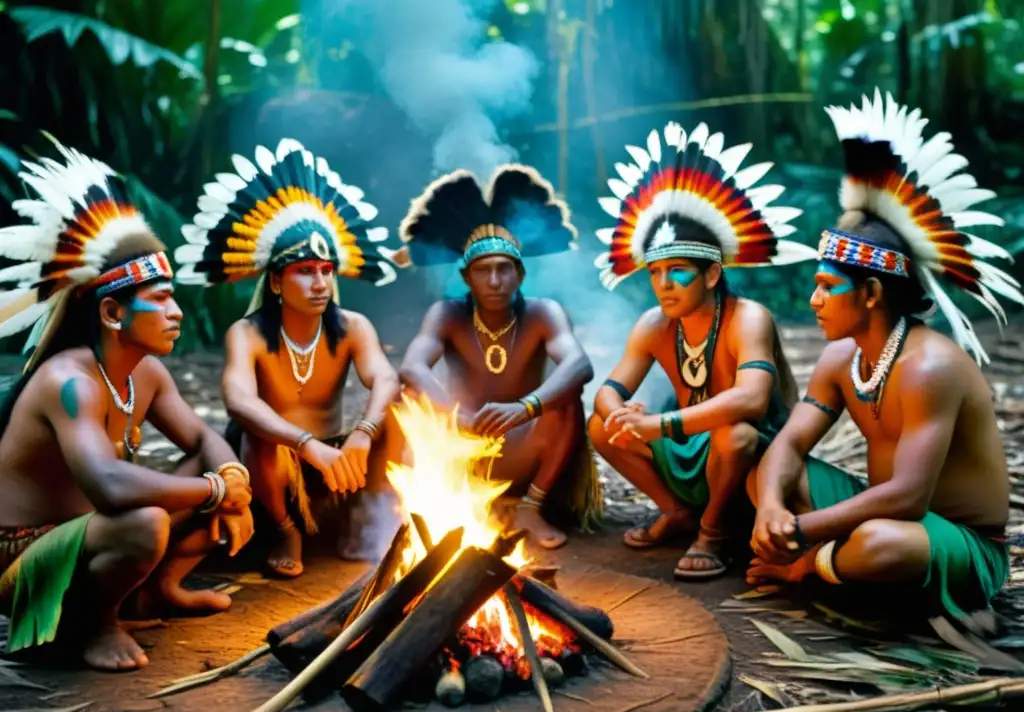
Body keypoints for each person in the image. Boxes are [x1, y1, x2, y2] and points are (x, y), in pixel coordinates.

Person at [747, 90, 1024, 628]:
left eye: (827, 287)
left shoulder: (930, 367)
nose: (814, 300)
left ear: (871, 294)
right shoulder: (840, 358)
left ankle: (809, 570)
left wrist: (800, 537)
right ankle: (835, 566)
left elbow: (908, 496)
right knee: (766, 468)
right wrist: (771, 510)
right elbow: (790, 443)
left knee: (879, 542)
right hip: (886, 511)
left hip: (954, 538)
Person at [0, 140, 254, 671]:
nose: (176, 312)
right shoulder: (68, 382)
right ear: (112, 312)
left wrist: (228, 474)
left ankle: (157, 590)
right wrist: (215, 492)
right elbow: (109, 487)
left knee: (221, 451)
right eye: (160, 299)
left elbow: (204, 440)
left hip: (86, 530)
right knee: (145, 524)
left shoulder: (148, 374)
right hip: (21, 556)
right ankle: (93, 626)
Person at [588, 120, 817, 579]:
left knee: (734, 434)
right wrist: (620, 414)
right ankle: (677, 513)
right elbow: (607, 390)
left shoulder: (747, 317)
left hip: (756, 459)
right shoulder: (653, 325)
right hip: (687, 444)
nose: (663, 284)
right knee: (598, 427)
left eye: (677, 271)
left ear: (712, 275)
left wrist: (656, 424)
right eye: (655, 272)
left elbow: (751, 401)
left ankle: (713, 532)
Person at [175, 138, 403, 579]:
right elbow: (238, 400)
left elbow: (387, 379)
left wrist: (362, 434)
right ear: (277, 281)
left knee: (399, 407)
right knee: (257, 429)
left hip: (337, 463)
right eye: (304, 271)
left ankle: (362, 519)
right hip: (273, 470)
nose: (319, 283)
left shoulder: (353, 326)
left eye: (325, 270)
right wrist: (304, 443)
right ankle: (284, 529)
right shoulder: (247, 333)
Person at [396, 164, 598, 550]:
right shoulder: (447, 313)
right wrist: (460, 418)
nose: (494, 281)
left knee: (566, 399)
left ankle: (530, 508)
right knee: (406, 397)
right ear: (466, 277)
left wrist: (526, 408)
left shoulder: (542, 312)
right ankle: (409, 511)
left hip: (525, 444)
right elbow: (412, 366)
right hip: (464, 444)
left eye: (504, 270)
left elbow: (579, 364)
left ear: (520, 275)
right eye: (483, 271)